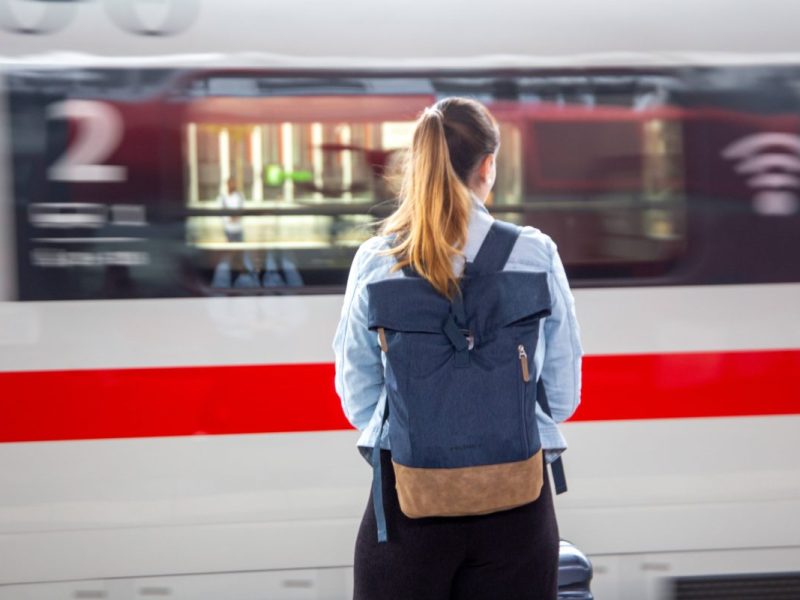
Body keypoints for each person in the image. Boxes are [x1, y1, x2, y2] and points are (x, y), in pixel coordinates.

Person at [331, 97, 583, 600]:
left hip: (407, 511)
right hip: (516, 513)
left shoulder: (378, 260)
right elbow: (562, 395)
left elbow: (358, 398)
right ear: (487, 166)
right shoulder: (535, 253)